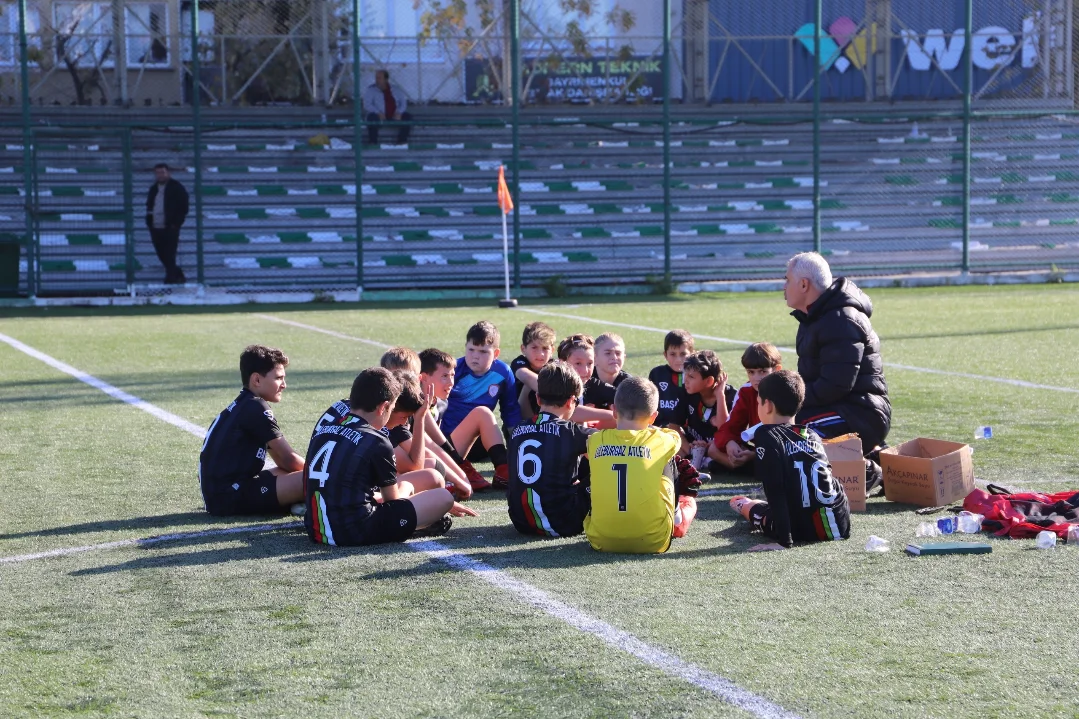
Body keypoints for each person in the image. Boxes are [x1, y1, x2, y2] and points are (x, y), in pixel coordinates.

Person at [303, 368, 462, 546]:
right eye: (393, 408)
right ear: (383, 407)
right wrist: (413, 493)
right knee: (444, 498)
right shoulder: (376, 440)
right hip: (354, 532)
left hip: (315, 528)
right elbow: (392, 503)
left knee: (414, 483)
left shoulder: (326, 429)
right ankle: (413, 528)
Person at [784, 252, 891, 491]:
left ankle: (868, 471)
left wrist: (791, 401)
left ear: (804, 284)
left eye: (787, 280)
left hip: (861, 413)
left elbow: (836, 385)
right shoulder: (815, 316)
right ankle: (875, 456)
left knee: (786, 434)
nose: (783, 287)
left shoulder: (840, 319)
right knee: (779, 426)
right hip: (842, 408)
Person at [729, 370, 851, 550]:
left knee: (742, 503)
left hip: (799, 529)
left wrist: (783, 541)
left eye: (758, 403)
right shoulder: (811, 434)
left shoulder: (766, 434)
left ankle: (745, 505)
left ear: (768, 406)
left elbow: (775, 490)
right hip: (838, 526)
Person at [584, 377, 701, 554]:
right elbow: (674, 437)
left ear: (614, 411)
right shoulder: (661, 440)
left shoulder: (595, 441)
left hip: (600, 539)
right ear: (653, 417)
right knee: (669, 458)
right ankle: (677, 515)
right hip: (653, 540)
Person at [199, 345, 304, 516]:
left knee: (294, 473)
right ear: (256, 380)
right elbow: (288, 458)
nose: (284, 385)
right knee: (312, 479)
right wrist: (329, 475)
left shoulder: (245, 404)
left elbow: (284, 463)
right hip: (229, 497)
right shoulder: (256, 407)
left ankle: (297, 503)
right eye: (279, 378)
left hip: (220, 494)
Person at [507, 362, 595, 538]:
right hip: (565, 522)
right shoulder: (571, 431)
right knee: (613, 465)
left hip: (521, 521)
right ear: (571, 401)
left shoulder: (517, 430)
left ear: (538, 398)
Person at [437, 323, 521, 489]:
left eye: (483, 351)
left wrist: (519, 444)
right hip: (447, 444)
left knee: (485, 415)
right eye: (471, 350)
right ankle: (460, 466)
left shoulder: (503, 372)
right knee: (483, 412)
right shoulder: (454, 370)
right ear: (465, 348)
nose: (475, 356)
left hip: (481, 445)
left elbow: (510, 411)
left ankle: (504, 473)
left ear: (496, 353)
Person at [709, 342, 782, 471]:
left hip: (780, 448)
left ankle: (751, 467)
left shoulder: (787, 390)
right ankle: (742, 464)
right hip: (755, 449)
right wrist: (729, 443)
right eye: (751, 372)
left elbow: (788, 433)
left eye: (763, 371)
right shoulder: (746, 391)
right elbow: (730, 427)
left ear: (777, 369)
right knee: (713, 449)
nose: (756, 378)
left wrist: (754, 454)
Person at [669, 350, 735, 465]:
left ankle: (706, 460)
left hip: (718, 448)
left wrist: (720, 396)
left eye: (691, 377)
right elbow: (673, 426)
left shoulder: (730, 396)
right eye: (685, 374)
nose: (685, 380)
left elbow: (724, 428)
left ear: (709, 381)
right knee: (668, 440)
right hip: (693, 444)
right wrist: (689, 449)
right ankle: (696, 459)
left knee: (718, 451)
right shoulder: (686, 392)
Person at [144, 163, 189, 284]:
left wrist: (176, 223)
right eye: (157, 173)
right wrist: (149, 220)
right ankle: (177, 274)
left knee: (170, 253)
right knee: (161, 253)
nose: (160, 175)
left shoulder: (176, 187)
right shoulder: (153, 188)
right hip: (155, 226)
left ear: (168, 173)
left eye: (162, 172)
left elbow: (183, 206)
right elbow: (149, 205)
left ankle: (171, 279)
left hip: (170, 227)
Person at [510, 321, 558, 420]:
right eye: (534, 347)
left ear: (552, 350)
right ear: (523, 349)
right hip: (519, 424)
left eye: (545, 348)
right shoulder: (519, 363)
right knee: (526, 387)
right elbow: (527, 377)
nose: (540, 354)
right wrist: (560, 390)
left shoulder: (555, 366)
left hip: (547, 422)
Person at [647, 330, 694, 428]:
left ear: (692, 354)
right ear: (665, 355)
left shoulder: (695, 376)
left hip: (685, 432)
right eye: (673, 354)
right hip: (658, 428)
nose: (678, 359)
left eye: (683, 354)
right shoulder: (657, 373)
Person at [362, 69, 412, 145]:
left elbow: (403, 103)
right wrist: (377, 112)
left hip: (394, 114)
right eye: (376, 78)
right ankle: (373, 142)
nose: (377, 80)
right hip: (379, 115)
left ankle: (402, 141)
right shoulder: (371, 90)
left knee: (408, 117)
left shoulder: (396, 89)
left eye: (379, 78)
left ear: (386, 79)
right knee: (371, 118)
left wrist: (399, 112)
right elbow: (367, 104)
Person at [592, 332, 630, 399]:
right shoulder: (584, 380)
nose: (614, 357)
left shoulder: (630, 385)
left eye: (618, 353)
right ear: (594, 358)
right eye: (608, 353)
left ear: (624, 358)